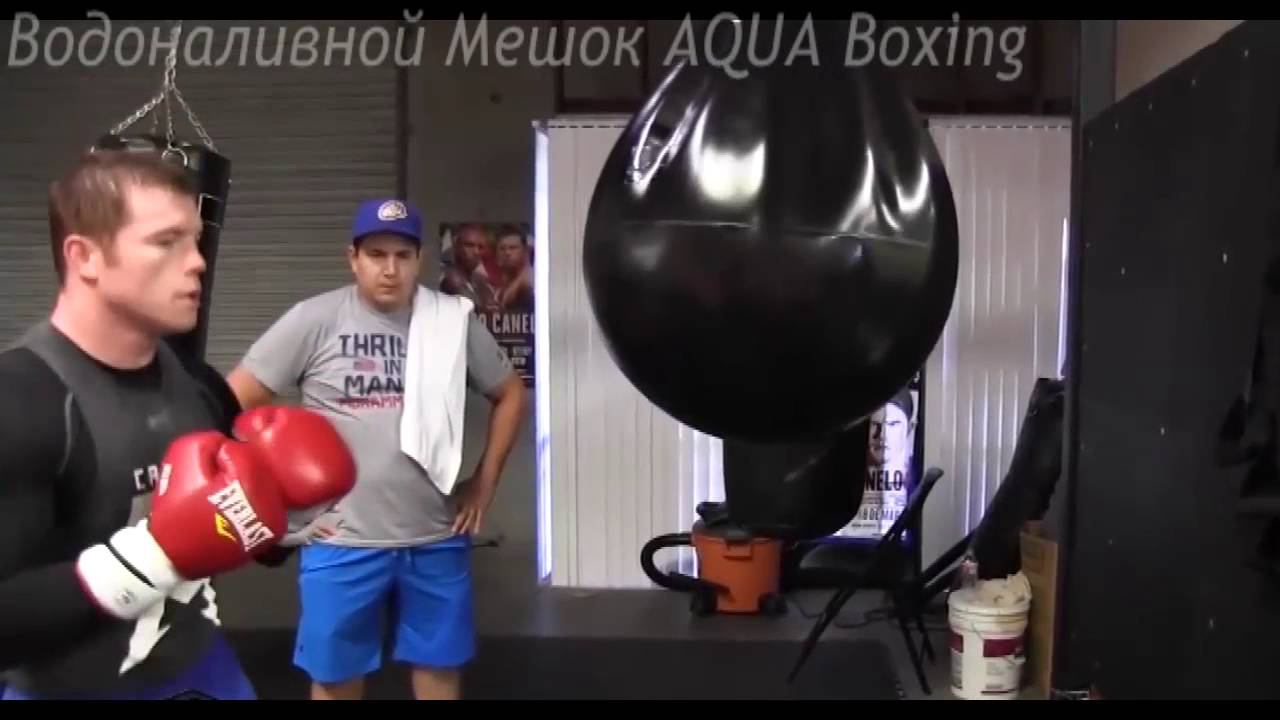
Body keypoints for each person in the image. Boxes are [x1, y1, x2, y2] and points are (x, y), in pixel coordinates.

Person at [0, 150, 357, 700]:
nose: (197, 262)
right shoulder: (24, 399)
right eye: (166, 242)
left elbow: (253, 540)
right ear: (84, 256)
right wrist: (154, 555)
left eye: (195, 240)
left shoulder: (197, 383)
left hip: (203, 673)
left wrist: (287, 512)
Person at [226, 199, 526, 701]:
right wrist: (278, 505)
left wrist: (484, 482)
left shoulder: (450, 321)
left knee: (439, 667)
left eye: (403, 256)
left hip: (435, 533)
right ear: (353, 258)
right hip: (342, 538)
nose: (390, 269)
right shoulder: (314, 319)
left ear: (420, 260)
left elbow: (510, 394)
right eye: (377, 255)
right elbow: (233, 401)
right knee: (336, 675)